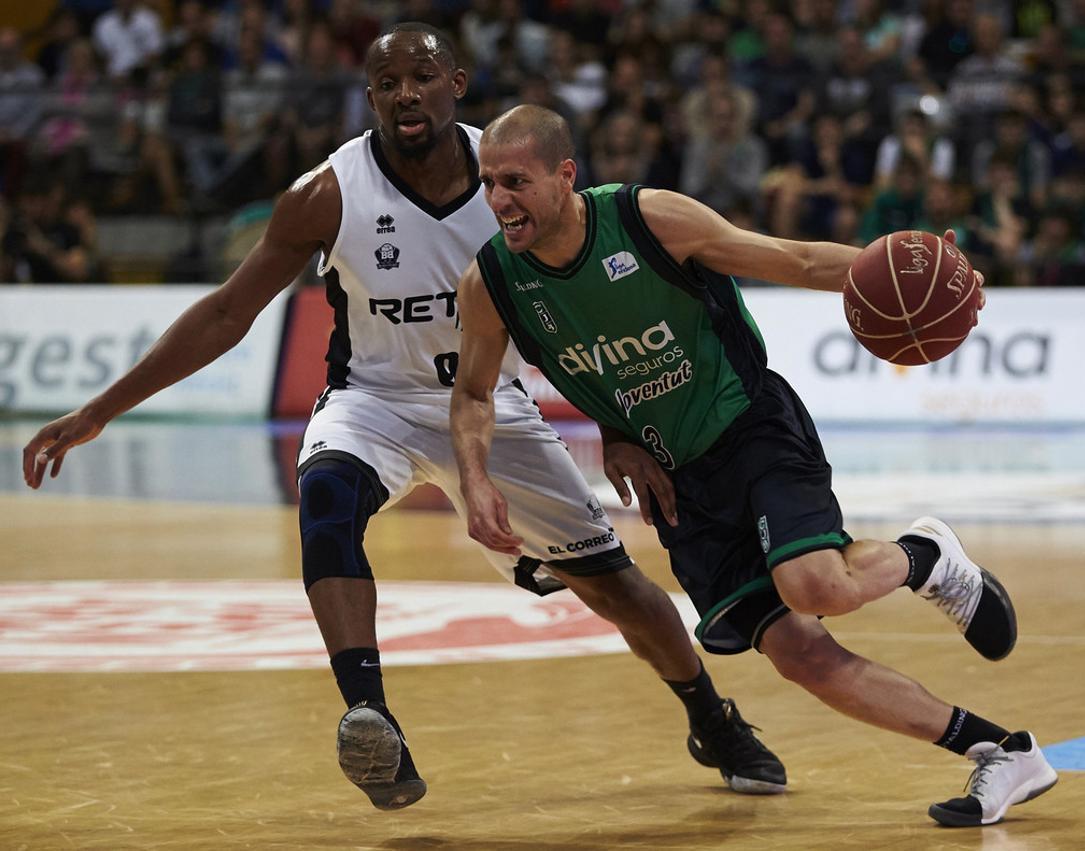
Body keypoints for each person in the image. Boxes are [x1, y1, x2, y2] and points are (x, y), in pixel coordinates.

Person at [20, 25, 785, 811]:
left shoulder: (512, 178)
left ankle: (711, 716)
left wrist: (617, 427)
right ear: (371, 96)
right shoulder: (328, 193)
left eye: (422, 76)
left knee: (616, 587)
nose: (405, 93)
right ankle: (370, 716)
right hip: (372, 401)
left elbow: (586, 308)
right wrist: (99, 410)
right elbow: (226, 313)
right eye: (387, 82)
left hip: (490, 406)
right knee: (324, 500)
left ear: (457, 81)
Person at [449, 104, 1060, 828]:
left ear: (564, 176)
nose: (498, 200)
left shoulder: (648, 219)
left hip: (751, 426)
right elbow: (473, 391)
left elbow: (793, 259)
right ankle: (1001, 751)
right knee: (800, 656)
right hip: (683, 488)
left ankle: (925, 554)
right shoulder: (491, 283)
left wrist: (926, 264)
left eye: (514, 181)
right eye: (488, 183)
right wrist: (481, 478)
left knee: (815, 584)